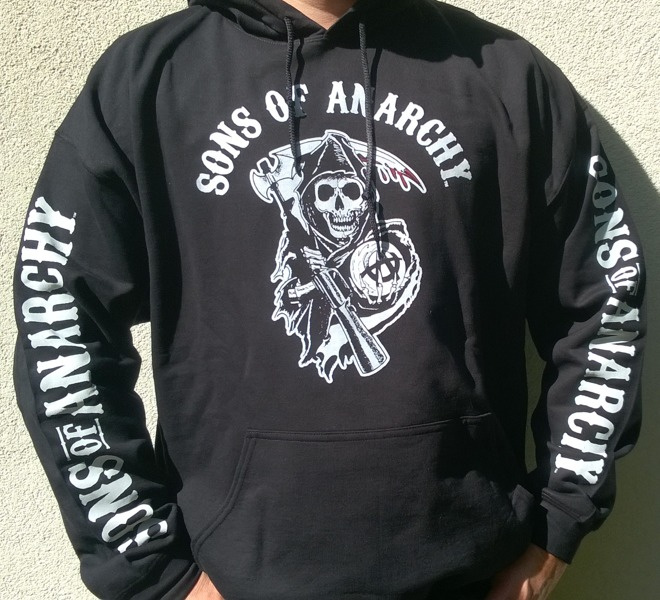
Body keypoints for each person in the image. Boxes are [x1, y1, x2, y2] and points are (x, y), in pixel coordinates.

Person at [13, 1, 645, 599]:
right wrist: (152, 568)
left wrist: (557, 521)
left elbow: (605, 305)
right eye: (326, 195)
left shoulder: (504, 75)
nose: (339, 207)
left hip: (471, 577)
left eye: (350, 195)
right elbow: (59, 321)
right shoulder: (146, 80)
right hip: (229, 578)